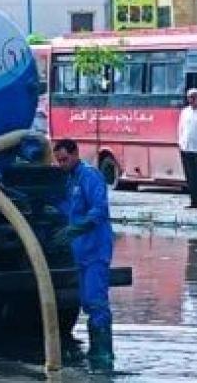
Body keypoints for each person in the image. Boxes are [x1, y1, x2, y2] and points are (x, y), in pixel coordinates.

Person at [50, 138, 114, 368]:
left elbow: (99, 210)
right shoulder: (70, 179)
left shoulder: (90, 176)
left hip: (96, 248)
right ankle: (95, 351)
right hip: (81, 251)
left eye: (65, 159)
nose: (62, 164)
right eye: (59, 161)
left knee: (96, 301)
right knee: (87, 301)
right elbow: (69, 208)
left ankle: (103, 354)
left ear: (76, 154)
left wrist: (75, 229)